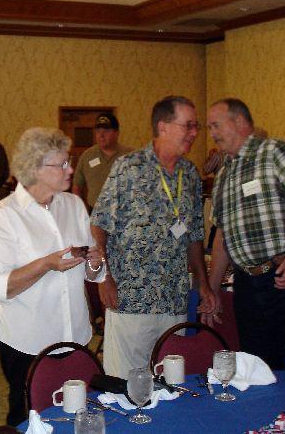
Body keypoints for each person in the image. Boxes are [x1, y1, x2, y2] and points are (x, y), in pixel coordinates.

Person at [0, 127, 105, 426]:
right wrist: (45, 265)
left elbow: (93, 274)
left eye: (69, 162)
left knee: (74, 414)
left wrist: (95, 263)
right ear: (35, 168)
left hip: (74, 335)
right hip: (27, 341)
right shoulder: (3, 215)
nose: (71, 169)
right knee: (28, 419)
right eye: (62, 164)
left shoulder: (73, 205)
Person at [90, 95, 214, 379]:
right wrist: (103, 278)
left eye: (196, 126)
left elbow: (194, 235)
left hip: (174, 300)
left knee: (170, 383)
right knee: (126, 384)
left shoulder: (190, 174)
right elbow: (98, 225)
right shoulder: (128, 168)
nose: (194, 133)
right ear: (163, 127)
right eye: (188, 125)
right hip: (131, 298)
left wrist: (204, 284)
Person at [204, 98, 285, 370]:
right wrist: (212, 290)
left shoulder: (273, 151)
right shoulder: (223, 175)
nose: (212, 133)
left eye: (216, 125)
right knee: (259, 369)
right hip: (249, 285)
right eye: (209, 127)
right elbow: (222, 235)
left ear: (239, 122)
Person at [72, 112, 132, 212]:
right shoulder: (87, 156)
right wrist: (82, 210)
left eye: (106, 131)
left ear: (117, 133)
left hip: (124, 213)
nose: (101, 135)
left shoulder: (130, 155)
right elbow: (76, 186)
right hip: (94, 212)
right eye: (98, 131)